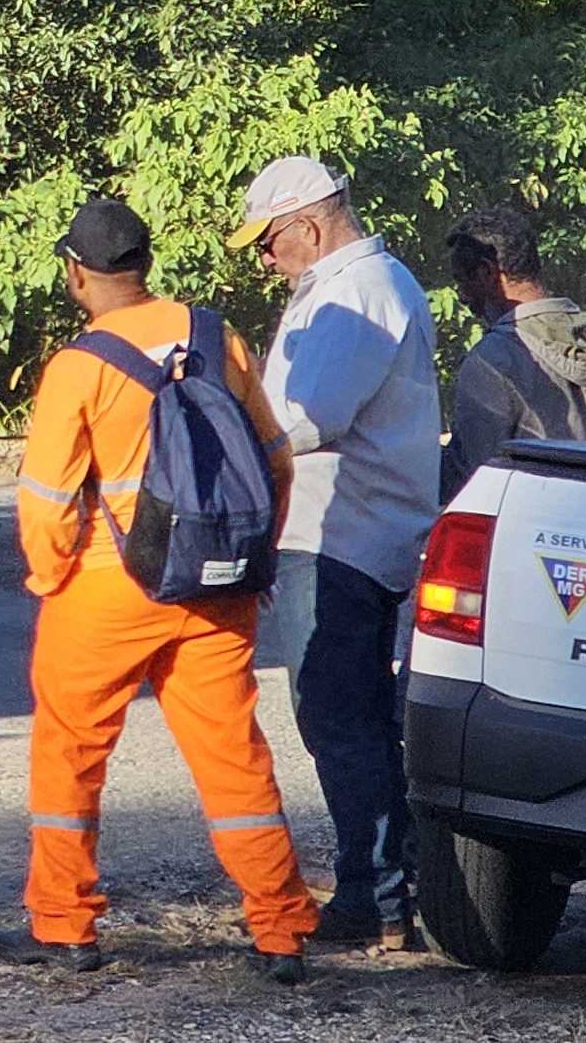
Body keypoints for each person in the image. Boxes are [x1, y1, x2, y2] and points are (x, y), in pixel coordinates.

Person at [0, 198, 315, 982]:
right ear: (144, 264)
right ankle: (280, 929)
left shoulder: (77, 366)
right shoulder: (217, 337)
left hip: (109, 591)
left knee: (69, 753)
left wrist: (49, 577)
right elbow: (275, 463)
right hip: (216, 586)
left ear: (76, 272)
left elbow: (47, 503)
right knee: (234, 756)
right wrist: (248, 562)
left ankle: (65, 925)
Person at [232, 153, 440, 954]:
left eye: (268, 243)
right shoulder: (361, 284)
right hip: (354, 533)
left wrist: (228, 427)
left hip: (340, 537)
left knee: (337, 719)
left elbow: (304, 418)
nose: (264, 259)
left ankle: (374, 898)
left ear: (307, 229)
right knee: (350, 718)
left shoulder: (355, 291)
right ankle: (388, 883)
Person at [442, 204, 586, 492]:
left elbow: (470, 480)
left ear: (487, 272)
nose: (462, 298)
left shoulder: (492, 362)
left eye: (462, 281)